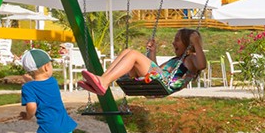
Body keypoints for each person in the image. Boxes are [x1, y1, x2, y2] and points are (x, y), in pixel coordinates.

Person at [78, 28, 208, 96]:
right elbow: (156, 68)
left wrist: (196, 43)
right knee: (128, 51)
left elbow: (202, 65)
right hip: (157, 80)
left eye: (177, 39)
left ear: (187, 43)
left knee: (133, 54)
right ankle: (103, 80)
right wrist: (152, 52)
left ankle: (103, 82)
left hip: (163, 85)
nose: (173, 42)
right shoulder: (176, 61)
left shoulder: (191, 59)